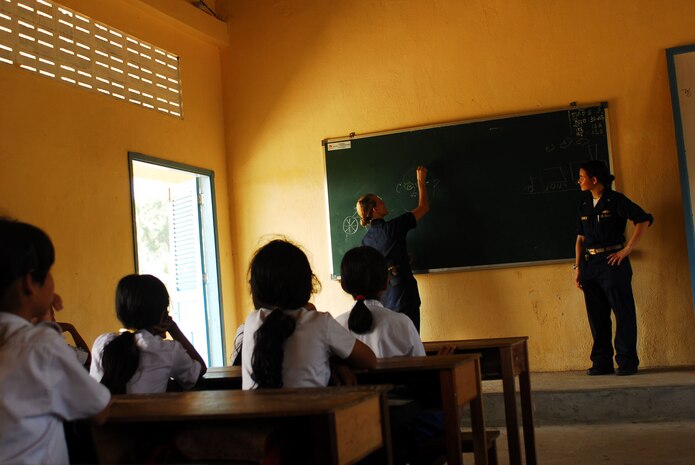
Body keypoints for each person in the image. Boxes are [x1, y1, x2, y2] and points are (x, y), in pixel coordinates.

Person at [0, 218, 111, 465]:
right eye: (50, 272)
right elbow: (99, 410)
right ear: (30, 283)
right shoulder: (41, 345)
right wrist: (46, 325)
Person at [241, 239, 376, 389]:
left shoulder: (252, 323)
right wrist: (330, 361)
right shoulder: (320, 323)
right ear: (308, 284)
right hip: (313, 413)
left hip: (258, 413)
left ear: (254, 288)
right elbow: (370, 360)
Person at [574, 160, 653, 376]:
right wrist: (578, 267)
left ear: (594, 179)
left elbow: (643, 220)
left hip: (612, 263)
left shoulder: (615, 200)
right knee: (597, 316)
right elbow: (580, 239)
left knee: (623, 312)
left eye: (582, 177)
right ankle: (602, 362)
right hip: (590, 265)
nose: (579, 180)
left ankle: (626, 362)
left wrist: (627, 249)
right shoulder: (584, 204)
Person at [90, 274, 207, 394]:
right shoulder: (167, 350)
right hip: (149, 413)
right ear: (163, 314)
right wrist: (173, 329)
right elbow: (199, 371)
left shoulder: (102, 343)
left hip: (105, 413)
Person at [356, 166, 429, 332]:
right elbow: (423, 207)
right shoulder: (394, 227)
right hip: (402, 291)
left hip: (383, 296)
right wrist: (420, 182)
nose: (384, 203)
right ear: (375, 209)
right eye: (380, 201)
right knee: (410, 334)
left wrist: (401, 257)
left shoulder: (365, 240)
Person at [336, 245, 425, 357]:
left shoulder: (336, 326)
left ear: (344, 285)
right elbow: (421, 368)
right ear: (386, 282)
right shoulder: (403, 324)